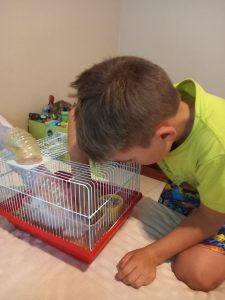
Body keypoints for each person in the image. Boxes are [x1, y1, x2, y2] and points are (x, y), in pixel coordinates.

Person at [68, 56, 225, 291]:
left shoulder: (217, 150)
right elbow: (75, 113)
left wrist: (152, 254)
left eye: (129, 160)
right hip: (190, 183)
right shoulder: (153, 102)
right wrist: (80, 174)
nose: (124, 164)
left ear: (165, 135)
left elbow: (212, 217)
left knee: (196, 272)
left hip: (217, 203)